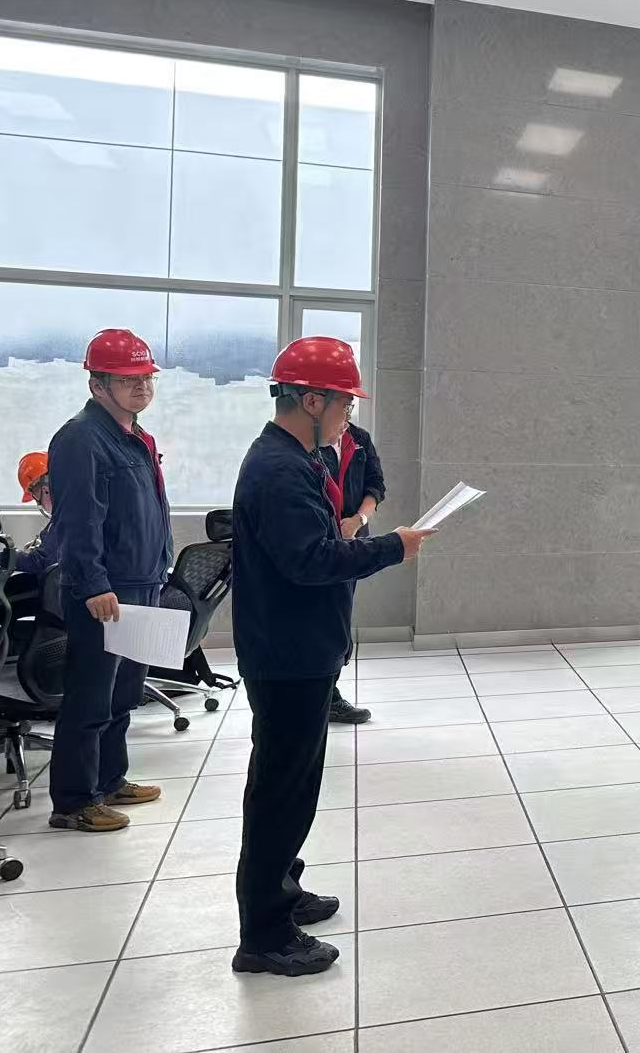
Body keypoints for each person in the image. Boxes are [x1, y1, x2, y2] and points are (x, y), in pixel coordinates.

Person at [230, 337, 435, 977]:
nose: (350, 415)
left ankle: (282, 891)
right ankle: (264, 936)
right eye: (345, 403)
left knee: (294, 787)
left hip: (300, 650)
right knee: (281, 792)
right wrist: (393, 547)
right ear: (312, 400)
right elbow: (312, 560)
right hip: (286, 655)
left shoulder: (297, 459)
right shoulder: (280, 469)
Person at [44, 328, 174, 833]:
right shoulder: (81, 438)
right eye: (127, 379)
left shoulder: (134, 435)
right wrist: (94, 583)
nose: (141, 386)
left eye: (146, 377)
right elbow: (79, 520)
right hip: (107, 590)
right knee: (91, 697)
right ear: (97, 385)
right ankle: (74, 801)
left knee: (123, 694)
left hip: (141, 582)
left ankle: (109, 778)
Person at [316, 420, 387, 726]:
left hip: (352, 538)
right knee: (319, 616)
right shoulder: (308, 440)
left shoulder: (358, 438)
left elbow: (376, 486)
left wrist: (358, 520)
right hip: (320, 540)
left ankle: (329, 694)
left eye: (350, 406)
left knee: (340, 615)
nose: (346, 412)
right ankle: (321, 694)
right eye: (343, 403)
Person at [14, 451, 60, 578]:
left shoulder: (66, 516)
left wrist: (5, 557)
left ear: (45, 489)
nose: (37, 501)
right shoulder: (68, 510)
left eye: (33, 493)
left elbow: (40, 561)